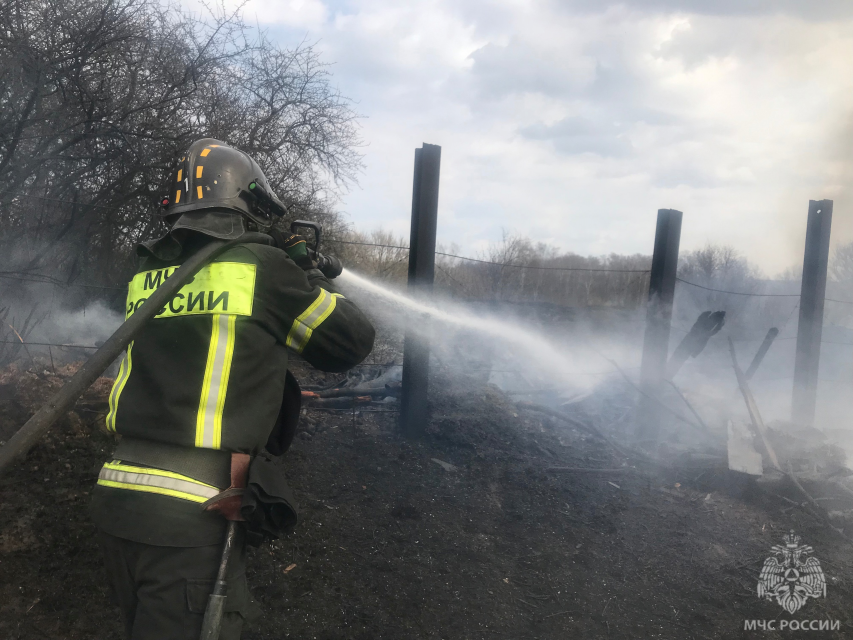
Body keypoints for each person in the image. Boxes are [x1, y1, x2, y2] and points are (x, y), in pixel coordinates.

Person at [89, 137, 375, 639]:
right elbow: (349, 343)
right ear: (247, 203)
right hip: (191, 508)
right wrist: (311, 276)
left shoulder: (147, 274)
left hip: (117, 495)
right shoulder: (263, 269)